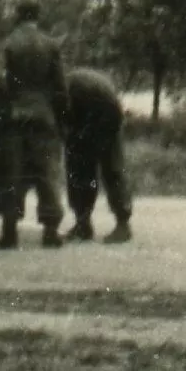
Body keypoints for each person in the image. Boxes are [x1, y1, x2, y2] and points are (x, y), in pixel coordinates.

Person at [0, 0, 70, 249]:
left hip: (16, 117)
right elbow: (60, 87)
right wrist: (60, 115)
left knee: (13, 172)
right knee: (47, 172)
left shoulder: (9, 44)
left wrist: (8, 101)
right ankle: (50, 231)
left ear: (18, 14)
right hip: (44, 115)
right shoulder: (50, 45)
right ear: (37, 15)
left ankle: (9, 232)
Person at [63, 67, 134, 244]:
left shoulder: (62, 89)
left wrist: (73, 139)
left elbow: (65, 120)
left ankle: (114, 224)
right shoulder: (69, 81)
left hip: (102, 110)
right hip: (106, 107)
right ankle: (86, 223)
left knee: (87, 169)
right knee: (105, 168)